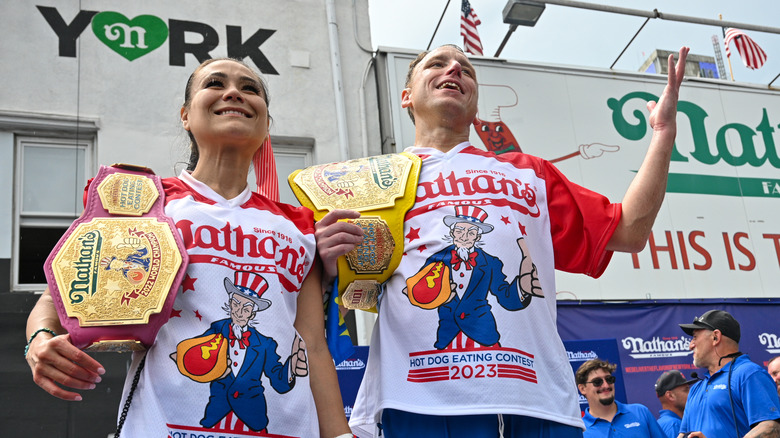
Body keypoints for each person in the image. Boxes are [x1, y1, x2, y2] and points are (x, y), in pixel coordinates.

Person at [316, 43, 689, 437]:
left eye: (466, 69)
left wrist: (663, 134)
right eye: (438, 64)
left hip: (537, 403)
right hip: (418, 401)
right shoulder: (372, 183)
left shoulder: (531, 173)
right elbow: (345, 291)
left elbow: (629, 231)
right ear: (407, 95)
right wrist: (324, 262)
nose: (455, 69)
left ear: (476, 107)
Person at [25, 58, 352, 438]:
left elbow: (310, 341)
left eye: (250, 89)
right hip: (164, 426)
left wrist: (341, 435)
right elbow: (56, 298)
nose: (234, 92)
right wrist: (39, 341)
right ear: (185, 115)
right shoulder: (140, 201)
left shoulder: (299, 224)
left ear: (266, 124)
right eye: (215, 83)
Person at [677, 309, 780, 438]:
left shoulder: (749, 374)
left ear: (716, 337)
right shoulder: (696, 389)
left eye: (695, 337)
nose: (690, 345)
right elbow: (683, 434)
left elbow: (772, 428)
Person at [576, 359, 666, 438]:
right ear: (582, 388)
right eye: (597, 382)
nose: (606, 385)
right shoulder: (581, 431)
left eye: (609, 379)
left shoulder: (640, 412)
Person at [654, 370, 697, 438]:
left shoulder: (661, 423)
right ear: (670, 396)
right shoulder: (674, 425)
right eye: (686, 390)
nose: (691, 394)